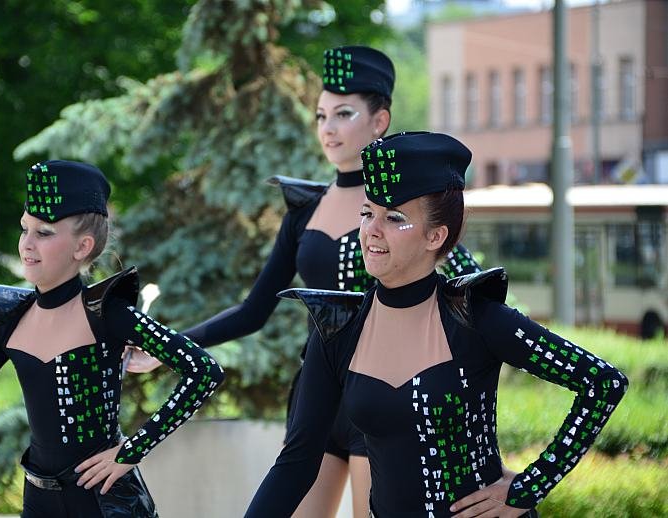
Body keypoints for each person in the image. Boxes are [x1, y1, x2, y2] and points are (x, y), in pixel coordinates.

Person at [127, 46, 481, 518]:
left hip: (383, 395)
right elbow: (252, 311)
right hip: (316, 396)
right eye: (320, 115)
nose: (328, 128)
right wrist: (166, 349)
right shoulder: (305, 209)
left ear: (380, 121)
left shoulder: (408, 212)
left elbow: (471, 298)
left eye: (344, 114)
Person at [245, 132, 629, 518]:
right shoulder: (337, 329)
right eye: (367, 213)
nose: (371, 230)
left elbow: (603, 383)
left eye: (394, 218)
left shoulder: (476, 318)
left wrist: (529, 486)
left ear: (436, 236)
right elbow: (296, 463)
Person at [0, 160, 224, 517]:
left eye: (44, 233)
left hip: (105, 502)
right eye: (25, 229)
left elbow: (204, 371)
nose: (27, 244)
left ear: (82, 246)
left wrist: (132, 451)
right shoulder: (9, 320)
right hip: (39, 502)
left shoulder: (108, 313)